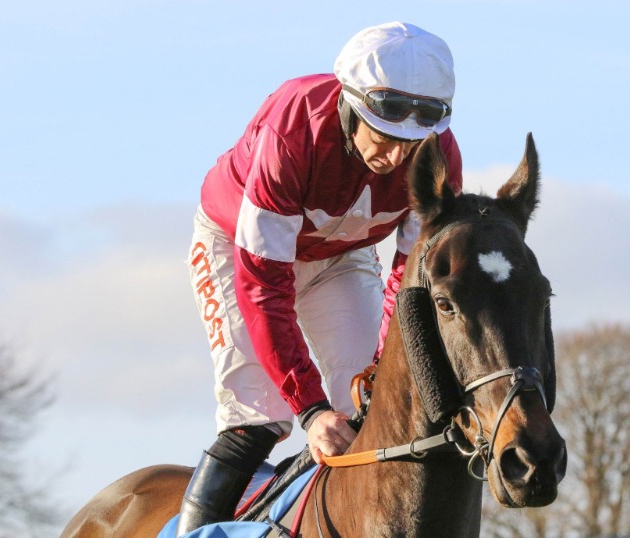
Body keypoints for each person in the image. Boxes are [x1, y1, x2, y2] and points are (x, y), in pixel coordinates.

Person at [178, 21, 463, 534]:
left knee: (369, 403)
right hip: (239, 249)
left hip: (339, 258)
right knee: (260, 415)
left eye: (413, 144)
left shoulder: (439, 159)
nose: (396, 159)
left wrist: (376, 369)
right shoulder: (293, 131)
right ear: (350, 107)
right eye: (385, 137)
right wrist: (309, 411)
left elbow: (409, 281)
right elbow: (264, 287)